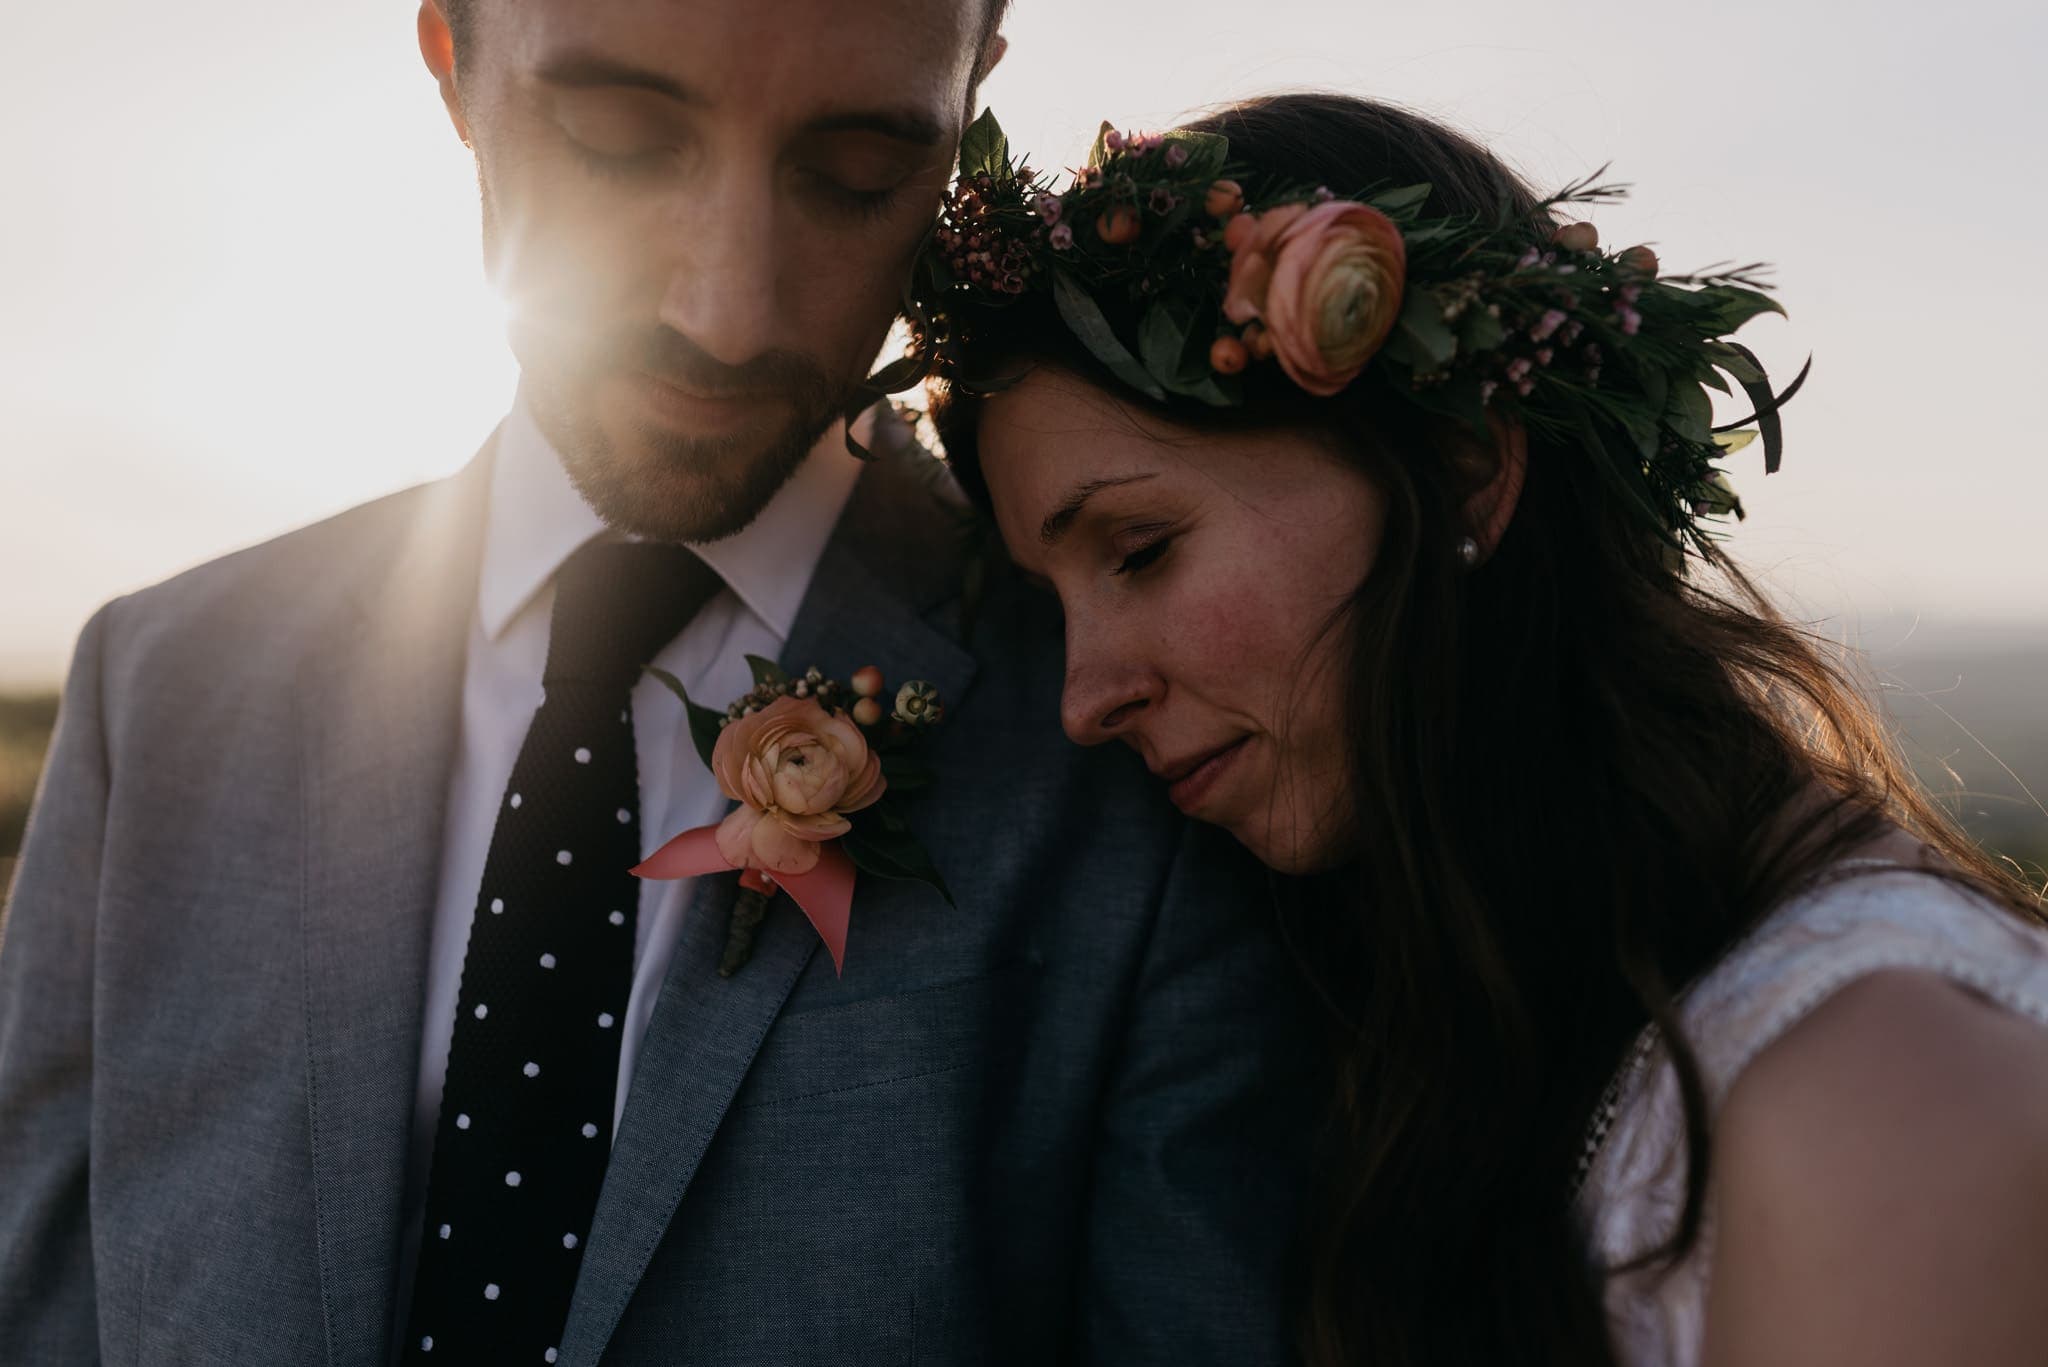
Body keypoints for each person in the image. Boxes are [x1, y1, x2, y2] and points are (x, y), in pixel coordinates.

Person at [0, 5, 1316, 1364]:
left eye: (857, 171)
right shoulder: (154, 691)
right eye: (619, 140)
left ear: (970, 94)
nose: (729, 314)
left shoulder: (1131, 742)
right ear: (454, 64)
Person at [920, 93, 2048, 1366]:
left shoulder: (1877, 1103)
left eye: (1140, 548)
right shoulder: (1465, 1022)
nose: (1084, 697)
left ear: (1461, 466)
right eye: (1047, 605)